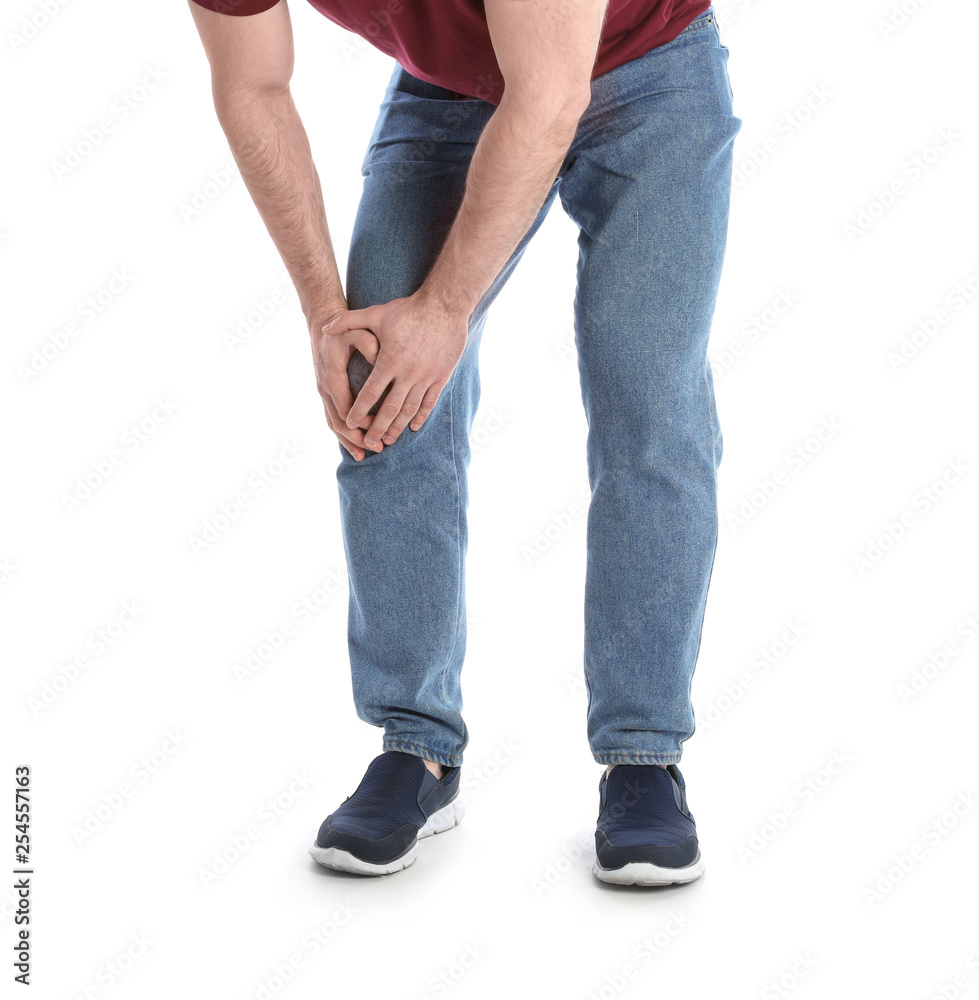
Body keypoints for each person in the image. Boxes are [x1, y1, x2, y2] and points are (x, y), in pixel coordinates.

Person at [187, 0, 741, 886]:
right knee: (380, 388)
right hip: (452, 89)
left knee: (648, 404)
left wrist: (444, 311)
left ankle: (643, 757)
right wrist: (328, 315)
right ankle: (416, 745)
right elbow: (252, 85)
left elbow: (548, 98)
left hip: (649, 71)